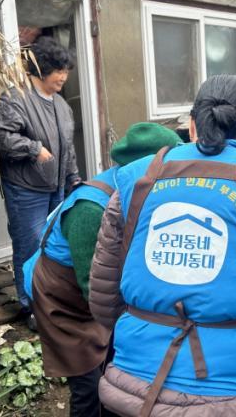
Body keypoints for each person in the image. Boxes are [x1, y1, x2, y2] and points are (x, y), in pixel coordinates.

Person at [89, 75, 236, 417]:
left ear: (193, 125)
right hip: (235, 395)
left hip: (133, 386)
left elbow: (103, 299)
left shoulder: (133, 180)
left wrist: (150, 324)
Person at [22, 122, 181, 417]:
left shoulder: (138, 192)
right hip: (61, 296)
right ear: (146, 168)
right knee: (88, 385)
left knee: (110, 367)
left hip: (93, 289)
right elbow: (93, 287)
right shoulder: (91, 209)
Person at [0, 36, 79, 328]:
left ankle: (54, 300)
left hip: (56, 187)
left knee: (55, 246)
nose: (63, 76)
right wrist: (33, 148)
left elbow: (68, 147)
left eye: (65, 70)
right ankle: (32, 307)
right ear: (42, 68)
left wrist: (73, 177)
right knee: (29, 248)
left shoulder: (61, 105)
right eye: (58, 70)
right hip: (25, 189)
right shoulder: (15, 99)